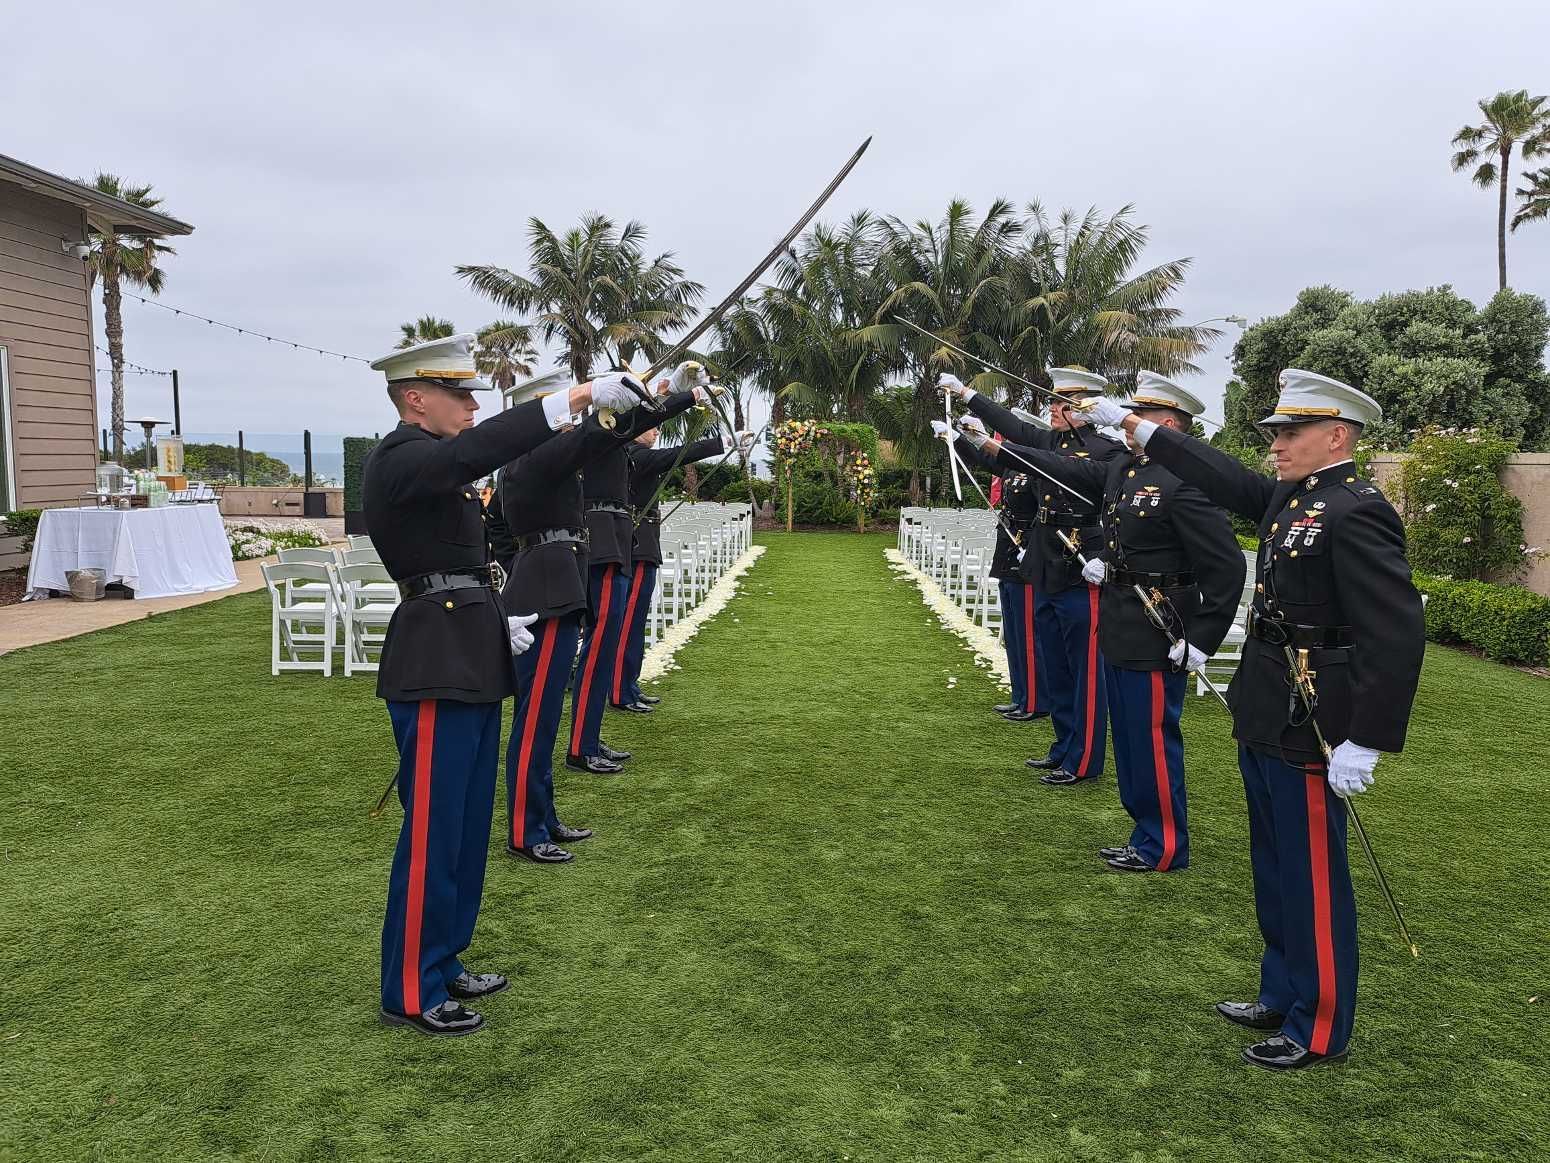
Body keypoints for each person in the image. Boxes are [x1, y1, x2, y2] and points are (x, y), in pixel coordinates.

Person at [1082, 368, 1425, 1070]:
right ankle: (1281, 989)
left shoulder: (1355, 507)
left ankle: (1320, 1023)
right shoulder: (1292, 497)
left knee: (1312, 875)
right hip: (1267, 700)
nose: (1275, 445)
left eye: (1290, 433)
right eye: (1274, 434)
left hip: (1315, 718)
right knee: (1274, 866)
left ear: (1336, 435)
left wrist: (1368, 734)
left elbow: (1394, 630)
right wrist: (1142, 430)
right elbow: (1224, 475)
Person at [362, 334, 643, 1036]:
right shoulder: (400, 457)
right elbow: (471, 453)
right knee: (431, 830)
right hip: (433, 661)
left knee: (460, 827)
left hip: (469, 651)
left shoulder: (436, 465)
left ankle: (444, 956)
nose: (472, 402)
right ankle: (409, 986)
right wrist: (574, 397)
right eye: (459, 393)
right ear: (414, 397)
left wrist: (497, 617)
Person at [961, 374, 1244, 872]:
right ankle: (1145, 833)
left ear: (1169, 424)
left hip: (1160, 623)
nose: (1126, 424)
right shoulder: (1123, 470)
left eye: (1140, 417)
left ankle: (1164, 845)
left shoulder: (1187, 481)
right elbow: (1053, 465)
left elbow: (1227, 567)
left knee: (1152, 738)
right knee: (1132, 740)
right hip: (1120, 617)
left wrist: (1203, 637)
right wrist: (990, 445)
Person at [495, 372, 699, 861]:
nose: (568, 423)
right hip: (544, 592)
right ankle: (526, 828)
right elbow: (604, 434)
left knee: (544, 717)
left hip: (558, 583)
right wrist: (667, 398)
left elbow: (607, 437)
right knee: (535, 719)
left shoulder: (544, 460)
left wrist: (663, 398)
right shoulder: (531, 460)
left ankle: (542, 816)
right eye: (558, 413)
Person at [942, 369, 1126, 786]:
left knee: (1085, 675)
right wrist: (968, 395)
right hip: (1045, 565)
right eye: (1053, 402)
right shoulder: (1053, 441)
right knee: (1056, 668)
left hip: (1082, 568)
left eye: (1063, 403)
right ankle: (1063, 747)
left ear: (1087, 408)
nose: (1053, 409)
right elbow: (1015, 429)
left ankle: (1083, 760)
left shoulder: (1107, 451)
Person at [567, 362, 720, 772]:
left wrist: (682, 396)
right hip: (603, 547)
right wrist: (677, 393)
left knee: (607, 646)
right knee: (600, 648)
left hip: (616, 546)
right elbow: (640, 422)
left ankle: (589, 738)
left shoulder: (615, 443)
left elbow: (647, 421)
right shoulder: (598, 437)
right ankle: (582, 744)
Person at [615, 418, 750, 713]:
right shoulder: (634, 456)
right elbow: (679, 454)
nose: (656, 431)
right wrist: (724, 442)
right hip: (636, 549)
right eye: (651, 426)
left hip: (644, 546)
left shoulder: (638, 456)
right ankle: (619, 690)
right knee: (629, 625)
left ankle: (630, 685)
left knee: (637, 624)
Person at [930, 415, 1049, 722]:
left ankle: (1036, 701)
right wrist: (954, 439)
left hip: (1026, 557)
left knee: (1027, 636)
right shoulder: (1012, 464)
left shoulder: (1039, 468)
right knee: (1012, 632)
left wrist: (1034, 551)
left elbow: (1045, 517)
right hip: (1007, 555)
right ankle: (1020, 694)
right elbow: (982, 459)